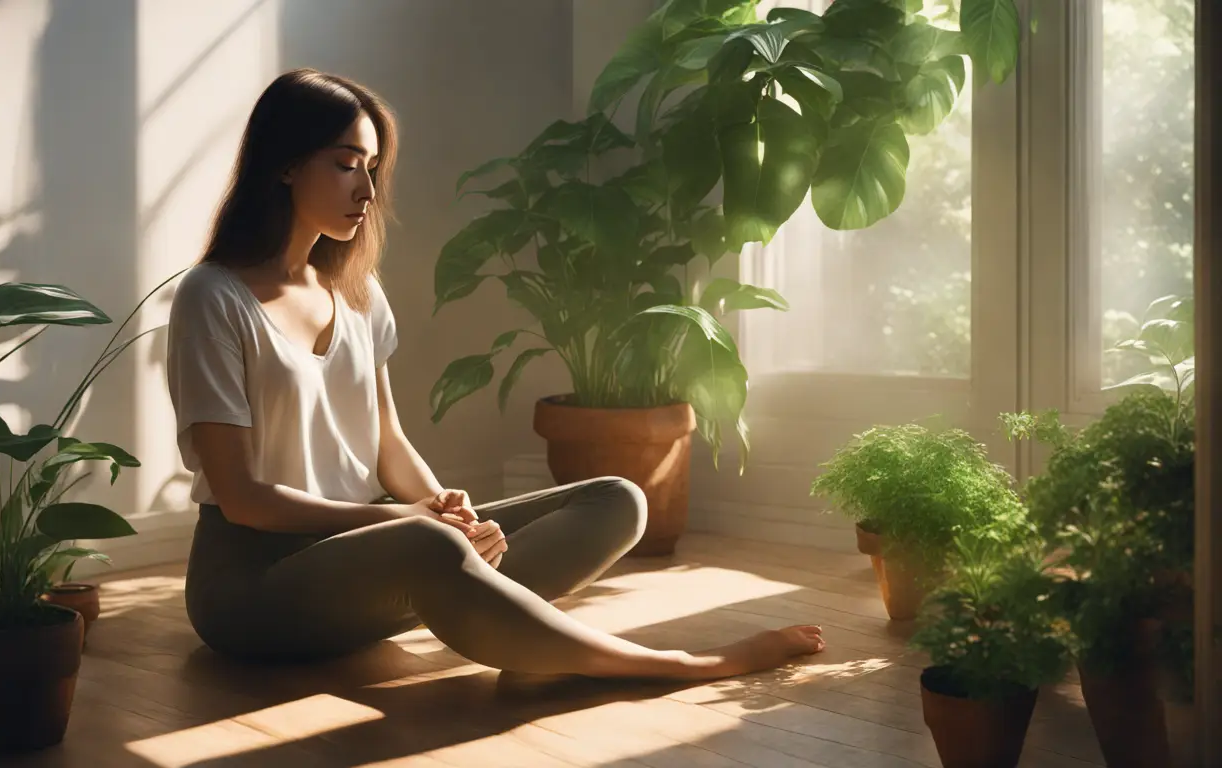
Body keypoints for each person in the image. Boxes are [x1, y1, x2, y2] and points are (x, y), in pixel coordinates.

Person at [165, 68, 825, 679]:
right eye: (345, 166)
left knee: (616, 499)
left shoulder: (356, 291)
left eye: (371, 168)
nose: (367, 191)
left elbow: (386, 440)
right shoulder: (214, 297)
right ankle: (680, 665)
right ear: (283, 165)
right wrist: (408, 524)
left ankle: (453, 589)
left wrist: (450, 507)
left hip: (374, 554)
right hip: (253, 585)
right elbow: (245, 498)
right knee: (428, 547)